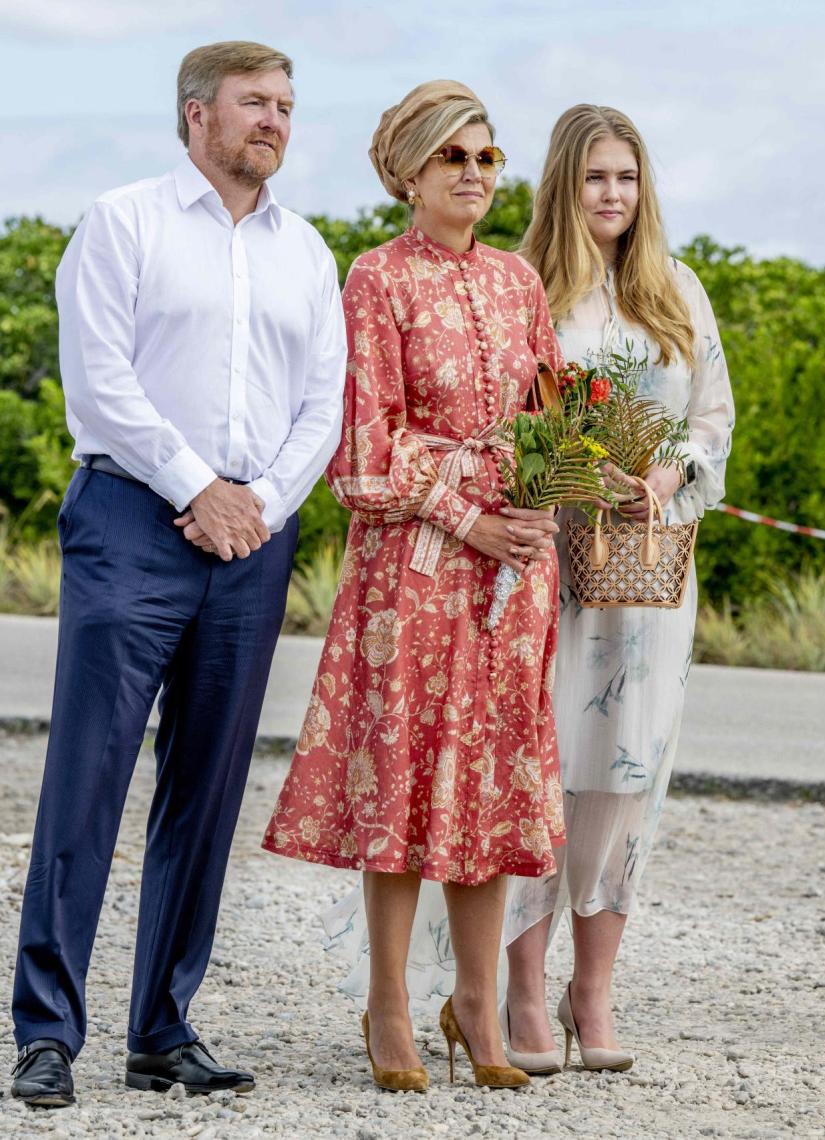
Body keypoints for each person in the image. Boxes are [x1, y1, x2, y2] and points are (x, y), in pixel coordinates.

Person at [10, 41, 346, 1108]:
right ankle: (46, 1031)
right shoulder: (123, 222)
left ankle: (162, 1029)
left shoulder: (309, 253)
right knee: (90, 778)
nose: (275, 121)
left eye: (287, 106)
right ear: (195, 115)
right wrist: (200, 487)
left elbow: (322, 405)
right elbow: (100, 378)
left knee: (203, 793)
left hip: (253, 543)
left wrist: (259, 507)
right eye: (255, 103)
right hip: (131, 519)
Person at [263, 80, 565, 1092]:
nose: (475, 176)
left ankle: (477, 1004)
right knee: (402, 778)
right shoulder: (377, 279)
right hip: (417, 566)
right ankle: (387, 1004)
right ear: (409, 171)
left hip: (513, 572)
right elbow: (366, 444)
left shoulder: (522, 284)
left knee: (489, 779)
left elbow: (557, 412)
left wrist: (554, 497)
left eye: (487, 158)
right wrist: (468, 513)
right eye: (454, 159)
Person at [500, 104, 735, 1074]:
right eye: (596, 178)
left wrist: (672, 471)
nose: (613, 196)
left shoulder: (676, 290)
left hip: (651, 581)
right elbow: (507, 413)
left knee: (626, 781)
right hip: (550, 572)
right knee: (542, 774)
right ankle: (518, 992)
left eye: (627, 179)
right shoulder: (525, 288)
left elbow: (713, 414)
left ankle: (590, 994)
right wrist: (579, 472)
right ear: (565, 183)